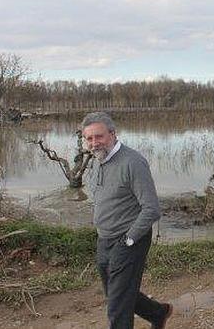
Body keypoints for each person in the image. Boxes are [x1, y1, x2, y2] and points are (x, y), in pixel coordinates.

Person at [83, 112, 172, 329]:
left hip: (130, 239)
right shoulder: (98, 160)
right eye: (89, 138)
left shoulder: (133, 162)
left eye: (99, 136)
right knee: (117, 294)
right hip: (104, 239)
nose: (94, 143)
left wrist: (129, 239)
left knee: (117, 306)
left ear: (113, 134)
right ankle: (158, 313)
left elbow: (152, 209)